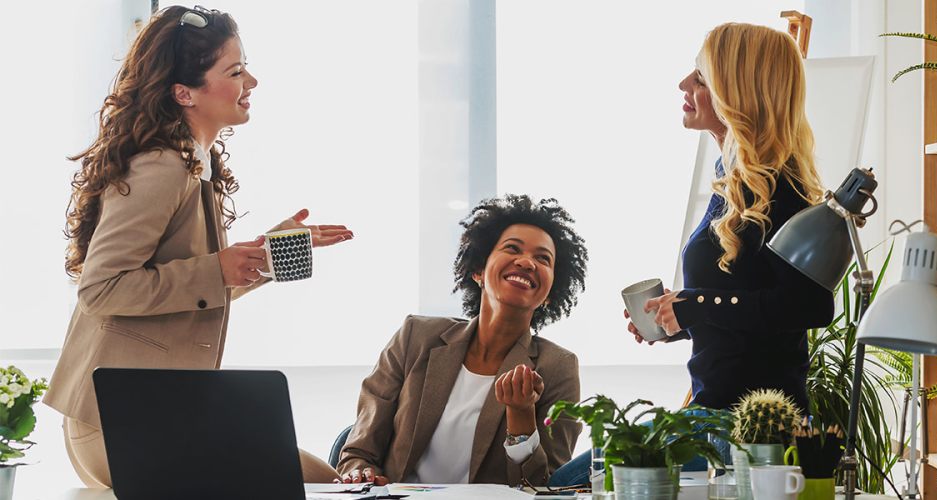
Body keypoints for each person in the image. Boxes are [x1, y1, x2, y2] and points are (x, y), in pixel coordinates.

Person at [44, 5, 353, 487]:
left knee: (323, 481)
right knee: (321, 484)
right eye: (235, 71)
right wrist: (220, 269)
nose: (252, 81)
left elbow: (197, 282)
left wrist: (270, 255)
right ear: (184, 92)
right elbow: (101, 289)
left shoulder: (193, 165)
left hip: (148, 413)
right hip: (116, 424)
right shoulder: (162, 167)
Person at [626, 23, 834, 413]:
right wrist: (676, 317)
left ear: (736, 94)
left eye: (701, 77)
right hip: (717, 416)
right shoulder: (735, 182)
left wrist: (699, 304)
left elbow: (810, 306)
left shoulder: (781, 188)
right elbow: (745, 311)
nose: (683, 83)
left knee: (580, 475)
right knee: (582, 474)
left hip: (746, 431)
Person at [336, 195, 588, 487]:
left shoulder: (558, 367)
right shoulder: (415, 337)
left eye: (543, 258)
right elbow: (359, 450)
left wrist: (521, 417)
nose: (526, 262)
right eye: (512, 249)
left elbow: (547, 488)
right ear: (479, 270)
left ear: (549, 294)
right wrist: (359, 471)